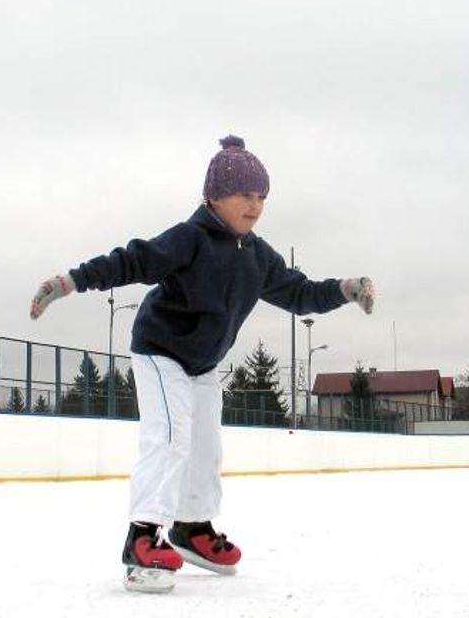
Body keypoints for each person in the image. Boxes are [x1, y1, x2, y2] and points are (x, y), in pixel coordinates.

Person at [30, 135, 375, 591]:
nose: (254, 205)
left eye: (261, 196)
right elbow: (132, 261)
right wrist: (70, 281)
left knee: (205, 447)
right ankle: (142, 537)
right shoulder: (189, 239)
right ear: (214, 196)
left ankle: (191, 527)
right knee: (170, 438)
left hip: (203, 363)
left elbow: (298, 292)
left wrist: (343, 289)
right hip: (161, 350)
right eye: (244, 195)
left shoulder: (257, 255)